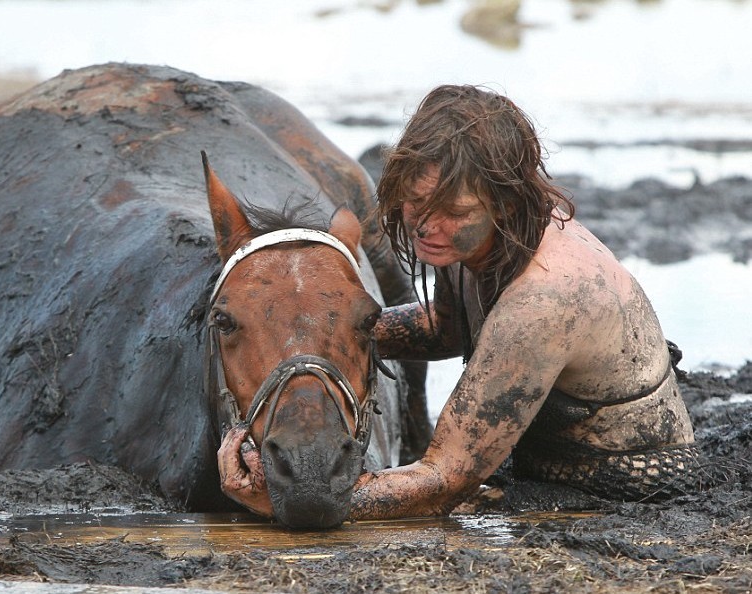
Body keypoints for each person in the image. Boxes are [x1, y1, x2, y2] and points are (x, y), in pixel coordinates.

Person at [218, 84, 706, 520]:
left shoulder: (546, 299)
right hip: (541, 463)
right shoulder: (477, 236)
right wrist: (324, 338)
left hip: (622, 488)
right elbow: (450, 328)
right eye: (415, 203)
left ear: (507, 202)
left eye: (454, 211)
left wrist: (291, 495)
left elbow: (444, 479)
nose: (427, 226)